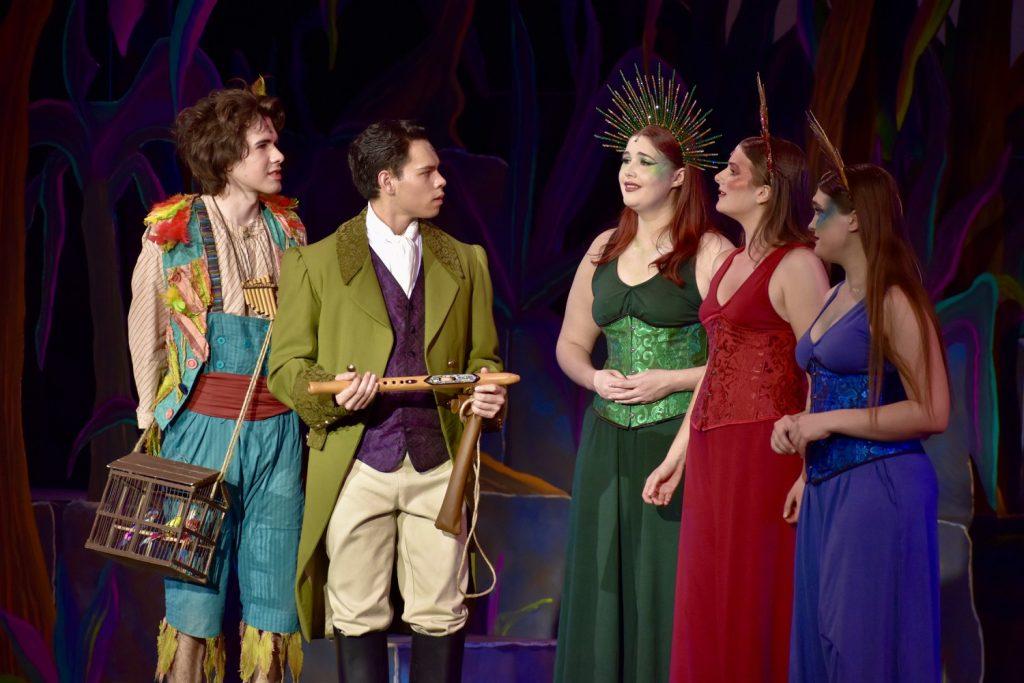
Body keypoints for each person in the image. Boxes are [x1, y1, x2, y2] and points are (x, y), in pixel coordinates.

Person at [267, 119, 506, 683]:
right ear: (387, 180)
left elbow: (486, 358)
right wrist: (332, 393)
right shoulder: (317, 263)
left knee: (442, 610)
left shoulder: (465, 260)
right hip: (357, 461)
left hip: (438, 462)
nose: (443, 180)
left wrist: (486, 394)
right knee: (356, 612)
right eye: (428, 171)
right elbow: (287, 367)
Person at [643, 78, 829, 683]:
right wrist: (679, 454)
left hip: (765, 449)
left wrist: (808, 466)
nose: (718, 177)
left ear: (769, 191)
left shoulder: (798, 264)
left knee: (754, 594)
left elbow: (822, 370)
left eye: (733, 170)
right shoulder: (727, 260)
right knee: (708, 595)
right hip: (713, 445)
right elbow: (719, 363)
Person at [554, 68, 732, 683]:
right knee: (602, 579)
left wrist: (671, 381)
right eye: (625, 158)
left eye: (646, 161)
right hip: (606, 438)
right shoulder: (604, 246)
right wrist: (593, 379)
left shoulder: (710, 251)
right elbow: (572, 344)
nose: (629, 170)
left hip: (674, 439)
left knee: (664, 582)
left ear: (680, 177)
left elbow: (738, 361)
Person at [127, 80, 306, 683]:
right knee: (194, 596)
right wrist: (153, 420)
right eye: (263, 145)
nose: (278, 156)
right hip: (202, 428)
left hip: (278, 431)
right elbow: (146, 328)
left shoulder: (291, 233)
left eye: (277, 143)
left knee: (275, 592)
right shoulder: (172, 231)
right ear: (228, 158)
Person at [773, 116, 945, 682]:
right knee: (820, 646)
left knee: (860, 644)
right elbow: (823, 388)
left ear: (854, 218)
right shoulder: (834, 297)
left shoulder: (892, 299)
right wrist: (801, 444)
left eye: (822, 210)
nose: (811, 221)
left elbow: (931, 410)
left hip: (879, 485)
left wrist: (826, 425)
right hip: (828, 486)